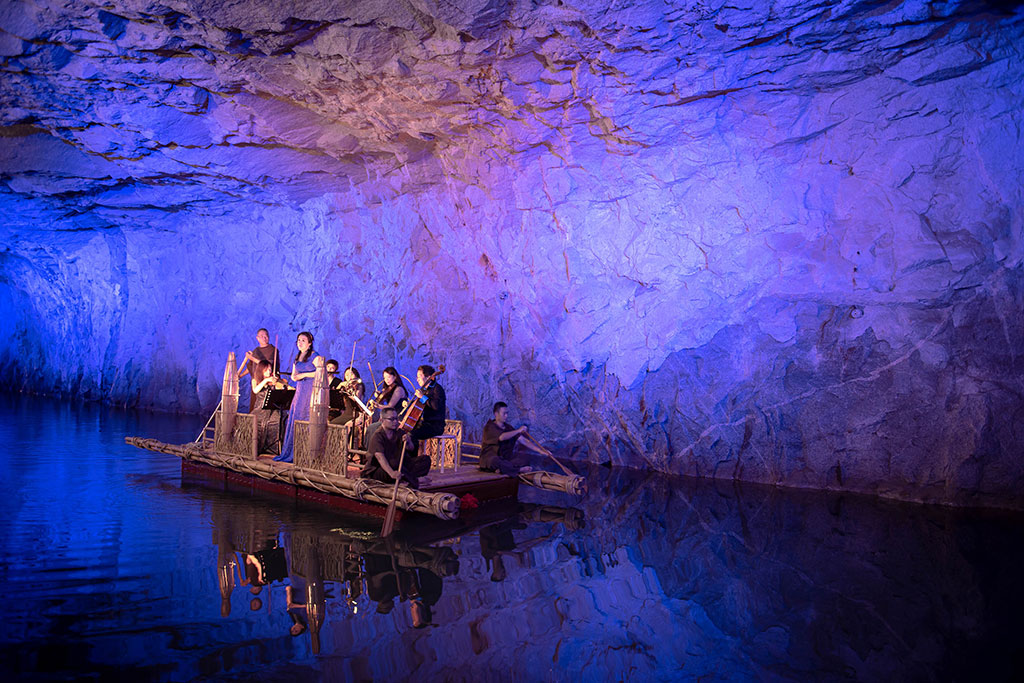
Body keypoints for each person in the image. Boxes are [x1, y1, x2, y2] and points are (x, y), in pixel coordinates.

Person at [275, 331, 320, 463]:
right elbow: (294, 375)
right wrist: (295, 377)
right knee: (296, 416)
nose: (300, 343)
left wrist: (304, 375)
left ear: (310, 343)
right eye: (298, 340)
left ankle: (305, 452)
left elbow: (320, 372)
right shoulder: (298, 356)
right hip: (300, 391)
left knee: (306, 417)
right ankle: (292, 451)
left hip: (310, 390)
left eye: (303, 340)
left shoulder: (314, 356)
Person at [361, 407, 431, 488]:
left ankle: (404, 478)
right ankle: (413, 480)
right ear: (382, 420)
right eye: (391, 419)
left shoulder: (399, 432)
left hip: (398, 466)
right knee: (395, 465)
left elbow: (411, 448)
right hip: (379, 469)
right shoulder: (378, 436)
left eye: (396, 419)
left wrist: (408, 441)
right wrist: (392, 473)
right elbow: (380, 458)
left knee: (425, 460)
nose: (395, 422)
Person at [479, 401, 548, 475]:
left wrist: (540, 450)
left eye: (507, 413)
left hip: (505, 459)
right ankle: (518, 469)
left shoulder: (508, 427)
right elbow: (502, 437)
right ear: (496, 414)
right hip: (490, 458)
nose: (506, 416)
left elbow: (523, 440)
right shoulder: (489, 427)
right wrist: (518, 430)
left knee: (524, 460)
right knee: (495, 461)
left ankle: (502, 469)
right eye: (504, 414)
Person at [238, 328, 278, 413]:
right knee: (254, 406)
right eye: (262, 336)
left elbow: (267, 364)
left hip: (268, 383)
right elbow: (251, 367)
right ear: (257, 338)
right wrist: (241, 375)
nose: (264, 338)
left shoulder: (273, 350)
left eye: (266, 336)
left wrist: (252, 358)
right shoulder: (256, 351)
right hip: (257, 381)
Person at [407, 364, 446, 442]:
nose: (417, 379)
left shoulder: (437, 389)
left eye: (419, 376)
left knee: (412, 434)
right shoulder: (424, 390)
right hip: (425, 423)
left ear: (428, 377)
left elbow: (436, 406)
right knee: (404, 432)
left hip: (435, 426)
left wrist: (422, 397)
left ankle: (413, 454)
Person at [251, 360, 283, 455]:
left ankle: (272, 449)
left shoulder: (273, 381)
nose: (269, 372)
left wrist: (277, 384)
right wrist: (265, 380)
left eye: (270, 369)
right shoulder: (255, 380)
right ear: (261, 370)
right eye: (267, 370)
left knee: (276, 422)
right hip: (259, 409)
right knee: (257, 424)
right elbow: (256, 390)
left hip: (272, 409)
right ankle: (256, 449)